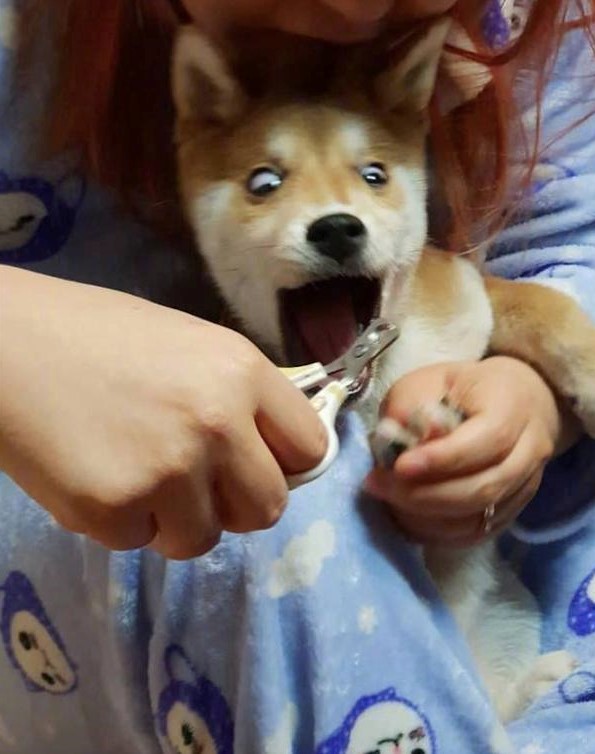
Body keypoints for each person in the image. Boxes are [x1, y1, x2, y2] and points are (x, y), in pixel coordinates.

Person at [0, 1, 593, 752]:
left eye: (372, 175)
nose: (358, 4)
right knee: (262, 513)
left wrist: (534, 398)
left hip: (526, 575)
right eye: (265, 182)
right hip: (84, 594)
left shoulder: (518, 25)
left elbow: (570, 244)